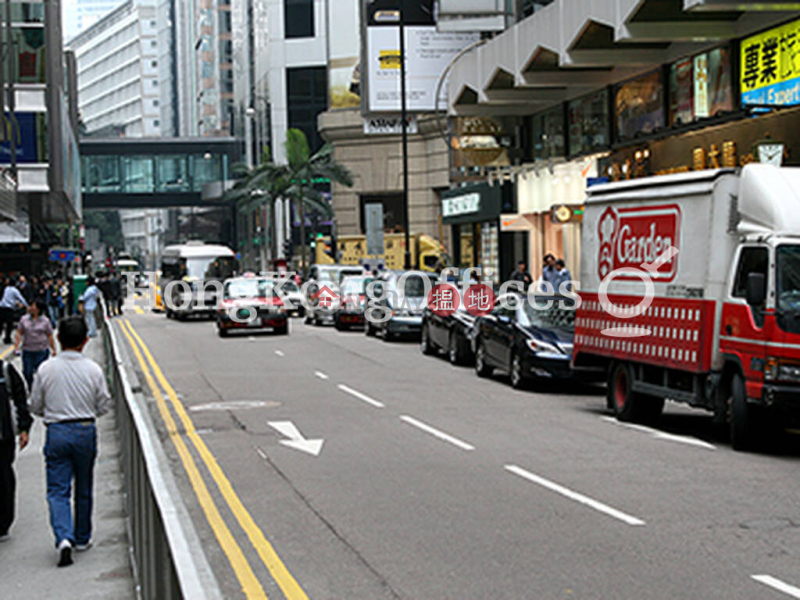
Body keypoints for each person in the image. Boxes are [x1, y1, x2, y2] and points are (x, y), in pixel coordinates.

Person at [29, 317, 111, 567]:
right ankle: (82, 536)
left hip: (57, 431)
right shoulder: (94, 369)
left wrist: (53, 413)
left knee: (57, 490)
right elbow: (104, 404)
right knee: (83, 486)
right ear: (86, 340)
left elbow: (35, 405)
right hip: (85, 429)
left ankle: (63, 537)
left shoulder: (45, 369)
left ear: (60, 339)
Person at [0, 356, 31, 542]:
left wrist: (24, 428)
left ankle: (3, 523)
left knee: (3, 477)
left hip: (3, 437)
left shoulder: (5, 370)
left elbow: (20, 398)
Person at [15, 300, 56, 389]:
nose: (30, 308)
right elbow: (19, 332)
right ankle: (31, 387)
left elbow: (50, 335)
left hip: (41, 350)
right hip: (28, 350)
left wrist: (54, 349)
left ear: (38, 309)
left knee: (41, 373)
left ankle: (40, 389)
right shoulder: (24, 319)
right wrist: (16, 346)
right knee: (27, 372)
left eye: (33, 306)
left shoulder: (45, 321)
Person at [0, 279, 28, 344]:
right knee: (9, 324)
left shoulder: (6, 289)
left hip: (1, 307)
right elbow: (21, 298)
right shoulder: (15, 290)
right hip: (9, 308)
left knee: (0, 324)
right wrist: (26, 305)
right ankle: (7, 338)